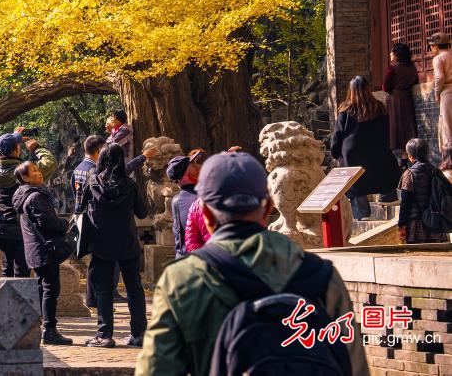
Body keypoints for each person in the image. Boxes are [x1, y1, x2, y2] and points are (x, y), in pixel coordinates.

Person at [137, 150, 368, 376]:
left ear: (205, 213)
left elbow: (158, 368)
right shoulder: (321, 276)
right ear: (268, 207)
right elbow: (354, 365)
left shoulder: (182, 279)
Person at [76, 143, 147, 348]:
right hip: (127, 243)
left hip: (101, 243)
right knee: (134, 287)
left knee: (104, 289)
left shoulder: (93, 182)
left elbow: (80, 207)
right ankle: (139, 334)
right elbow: (142, 213)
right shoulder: (130, 184)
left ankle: (104, 335)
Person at [13, 160, 74, 346]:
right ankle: (49, 330)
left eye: (38, 169)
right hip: (44, 249)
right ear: (25, 177)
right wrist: (66, 224)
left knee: (41, 288)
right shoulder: (35, 197)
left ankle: (36, 326)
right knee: (50, 289)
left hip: (34, 249)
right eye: (34, 171)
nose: (39, 173)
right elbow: (49, 223)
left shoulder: (22, 196)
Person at [330, 75, 401, 219]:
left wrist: (335, 152)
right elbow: (386, 131)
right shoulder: (379, 107)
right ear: (368, 89)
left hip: (352, 152)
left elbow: (338, 134)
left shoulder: (346, 109)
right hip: (376, 149)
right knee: (384, 168)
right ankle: (388, 197)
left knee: (355, 181)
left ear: (351, 90)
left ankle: (363, 213)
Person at [0, 129, 56, 277]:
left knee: (7, 268)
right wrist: (37, 148)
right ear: (17, 149)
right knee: (22, 270)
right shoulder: (23, 172)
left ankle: (7, 300)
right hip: (21, 227)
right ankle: (21, 300)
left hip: (1, 226)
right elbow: (49, 163)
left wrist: (7, 141)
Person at [398, 138, 446, 244]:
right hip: (436, 223)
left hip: (416, 225)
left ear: (410, 156)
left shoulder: (409, 174)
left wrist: (401, 224)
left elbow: (405, 203)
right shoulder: (437, 172)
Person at [166, 149, 207, 259]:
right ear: (187, 174)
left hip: (181, 260)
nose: (199, 167)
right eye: (193, 165)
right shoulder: (201, 199)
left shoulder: (176, 200)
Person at [384, 42, 419, 153]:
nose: (390, 54)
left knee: (395, 127)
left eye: (392, 52)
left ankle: (400, 158)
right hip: (407, 98)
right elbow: (415, 82)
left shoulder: (393, 69)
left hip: (394, 99)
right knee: (407, 126)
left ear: (397, 55)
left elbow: (385, 87)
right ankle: (407, 155)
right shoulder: (412, 68)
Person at [431, 33, 452, 150]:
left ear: (436, 46)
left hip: (447, 93)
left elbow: (439, 77)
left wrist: (436, 93)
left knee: (447, 127)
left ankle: (449, 162)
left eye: (432, 46)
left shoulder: (438, 58)